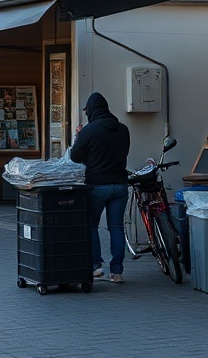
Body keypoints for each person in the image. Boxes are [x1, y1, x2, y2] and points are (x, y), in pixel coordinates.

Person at [70, 91, 131, 284]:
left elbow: (75, 157)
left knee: (90, 225)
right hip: (120, 185)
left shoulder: (89, 131)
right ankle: (117, 272)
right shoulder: (123, 129)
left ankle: (96, 266)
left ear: (91, 111)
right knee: (116, 228)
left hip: (96, 185)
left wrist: (79, 137)